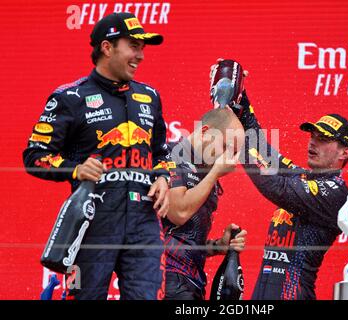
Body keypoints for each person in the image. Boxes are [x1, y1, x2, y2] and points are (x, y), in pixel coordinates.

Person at [23, 12, 171, 300]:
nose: (140, 56)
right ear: (107, 47)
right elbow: (35, 156)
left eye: (142, 48)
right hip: (90, 226)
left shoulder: (150, 96)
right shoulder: (70, 97)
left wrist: (163, 177)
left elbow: (161, 153)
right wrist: (75, 170)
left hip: (143, 225)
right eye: (134, 46)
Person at [210, 60, 348, 299]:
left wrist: (236, 140)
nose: (313, 142)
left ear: (344, 152)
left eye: (323, 139)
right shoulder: (302, 176)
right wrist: (235, 90)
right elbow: (262, 147)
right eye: (313, 135)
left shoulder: (336, 193)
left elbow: (274, 185)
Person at [163, 108, 247, 300]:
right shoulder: (170, 155)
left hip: (192, 284)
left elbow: (186, 239)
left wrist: (218, 246)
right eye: (226, 147)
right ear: (204, 132)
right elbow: (178, 212)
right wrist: (214, 174)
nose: (230, 159)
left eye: (234, 152)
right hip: (164, 279)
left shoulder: (206, 170)